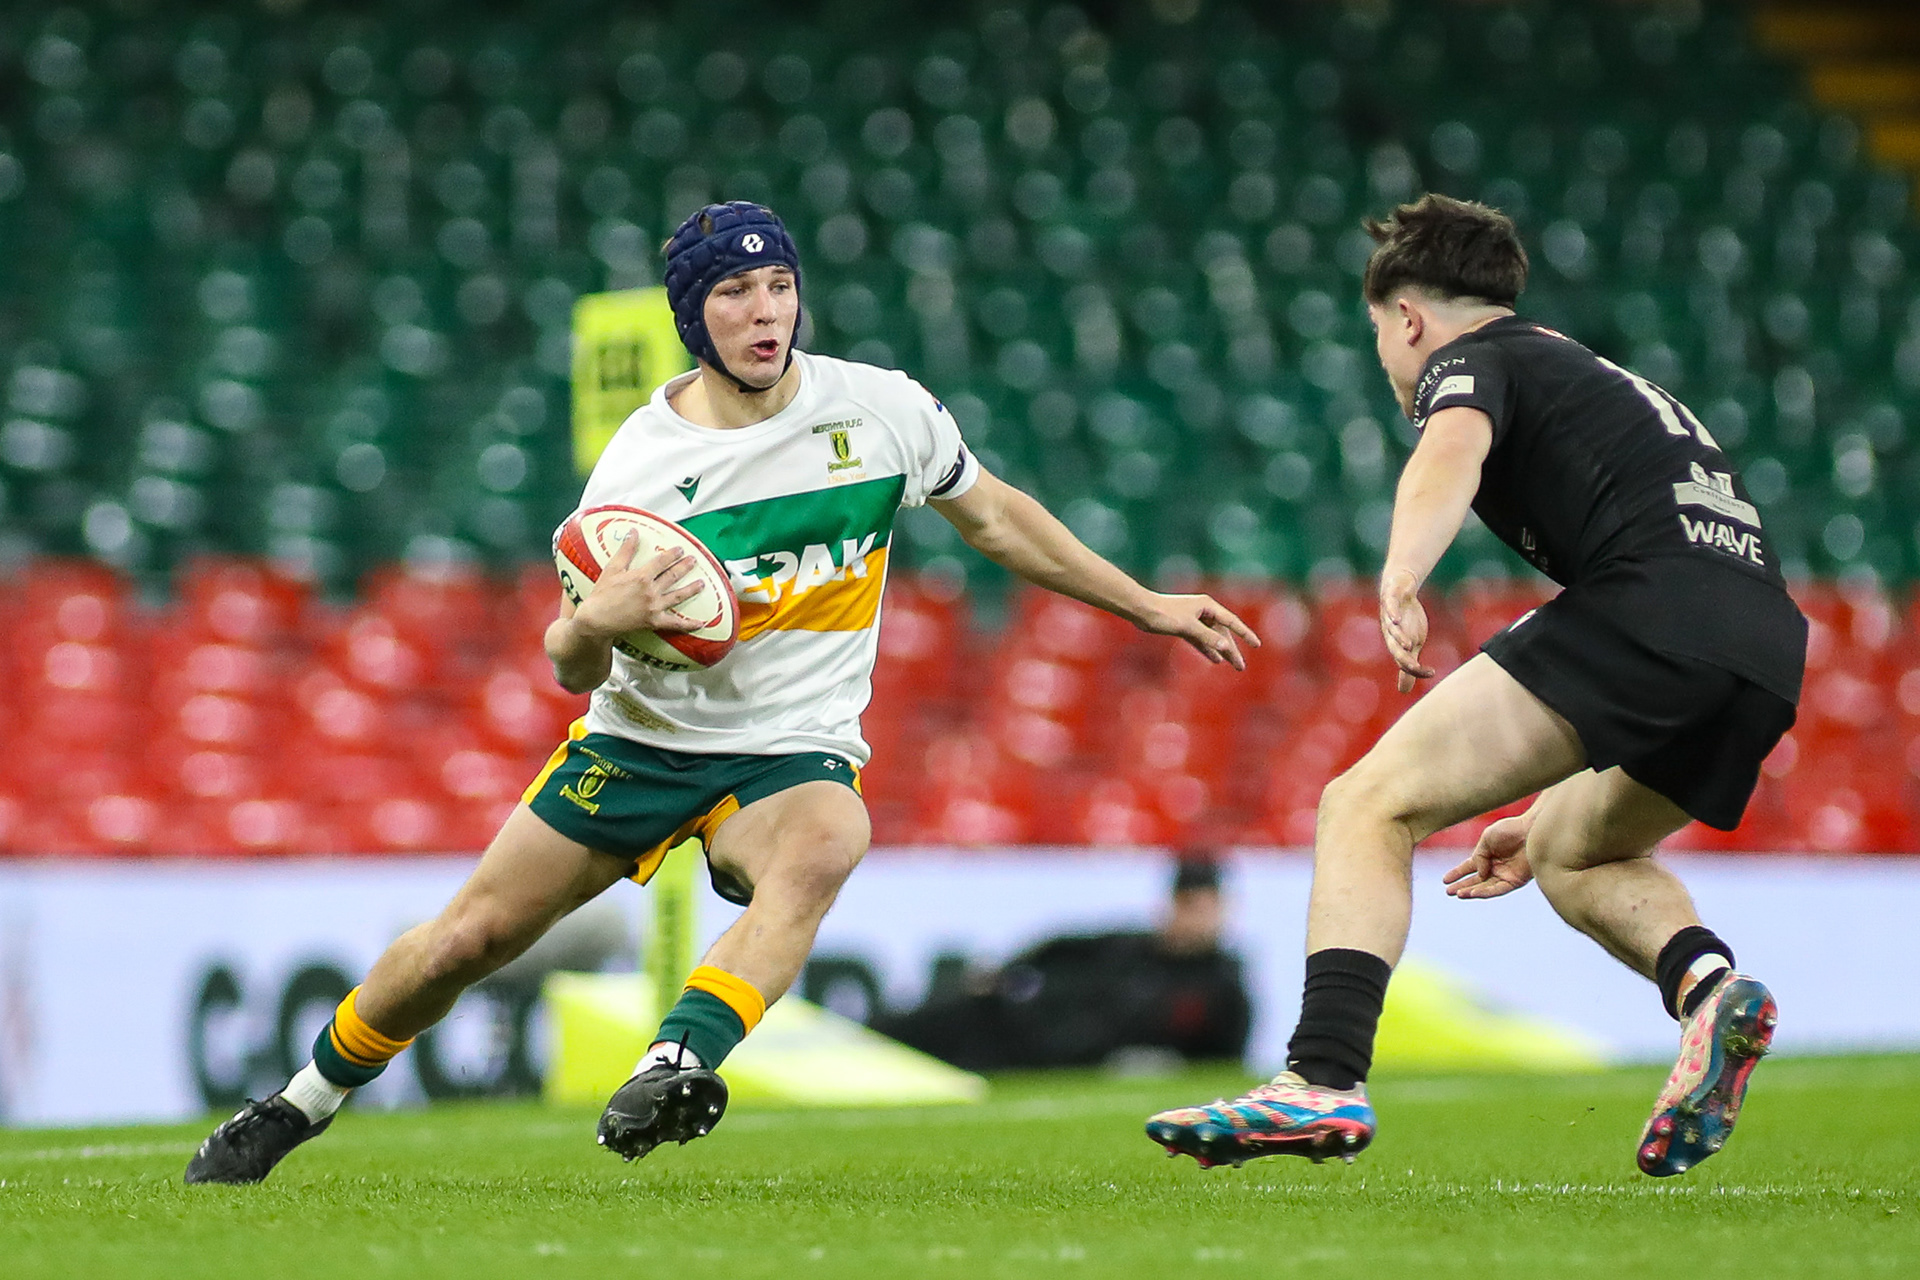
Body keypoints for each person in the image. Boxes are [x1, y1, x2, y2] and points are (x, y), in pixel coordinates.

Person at [185, 201, 1258, 1184]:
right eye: (735, 292)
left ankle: (674, 1063)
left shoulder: (882, 411)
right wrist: (590, 624)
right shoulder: (641, 472)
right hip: (641, 743)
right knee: (464, 941)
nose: (765, 311)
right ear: (693, 317)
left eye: (779, 286)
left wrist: (1145, 603)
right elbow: (570, 663)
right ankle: (298, 1101)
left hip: (788, 748)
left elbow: (997, 516)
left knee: (828, 839)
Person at [1146, 194, 1804, 1177]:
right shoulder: (1589, 370)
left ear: (1408, 317)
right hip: (1765, 644)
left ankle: (1320, 1075)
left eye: (1379, 331)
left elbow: (1452, 445)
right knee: (1573, 849)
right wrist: (1539, 801)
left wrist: (1402, 573)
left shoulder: (1474, 359)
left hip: (1651, 604)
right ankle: (1712, 991)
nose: (1386, 356)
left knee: (1365, 803)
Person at [876, 856, 1251, 1070]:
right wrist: (1005, 972)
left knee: (942, 1055)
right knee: (935, 1019)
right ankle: (869, 1037)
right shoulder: (1128, 945)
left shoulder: (1221, 985)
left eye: (1205, 908)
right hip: (1016, 1017)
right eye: (1188, 906)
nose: (1196, 919)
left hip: (1043, 1055)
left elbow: (1221, 1061)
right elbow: (1056, 946)